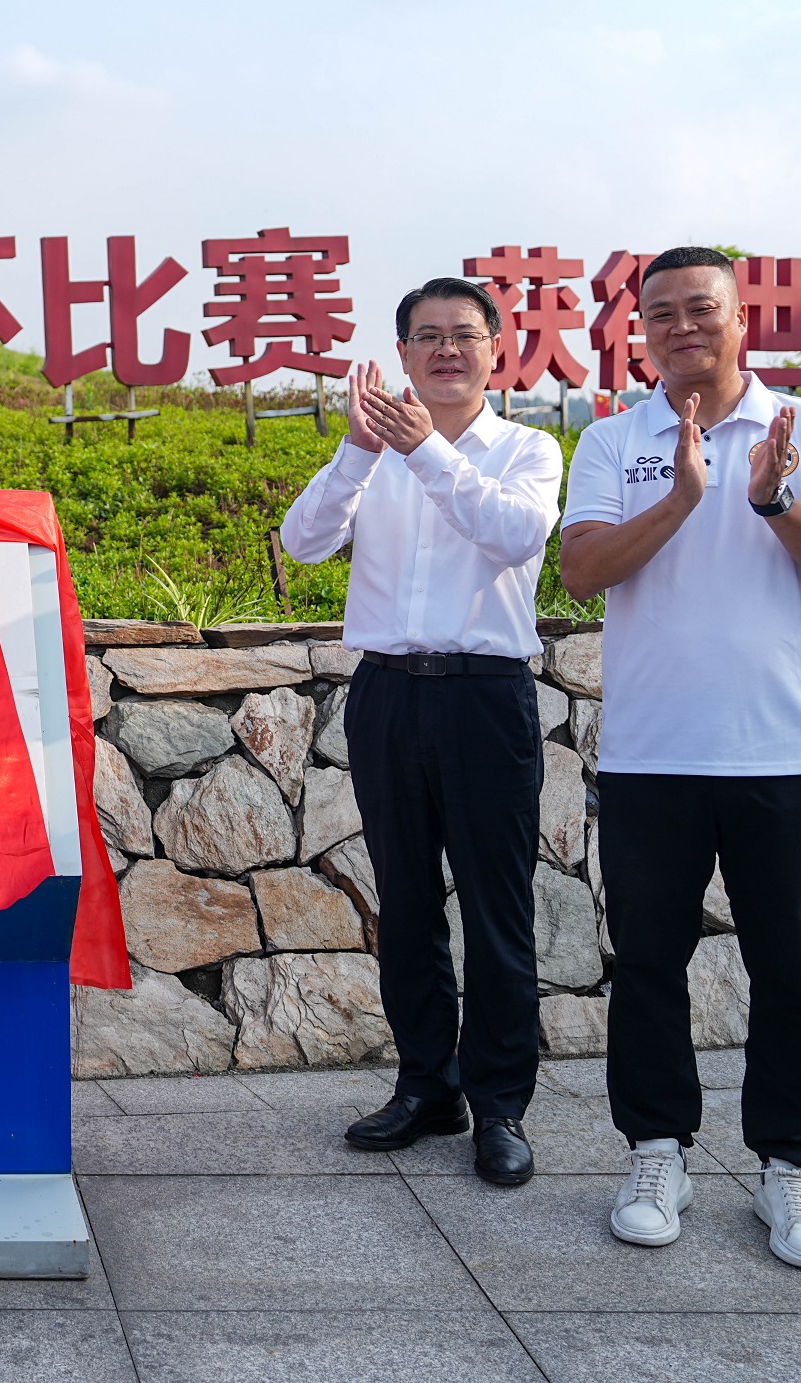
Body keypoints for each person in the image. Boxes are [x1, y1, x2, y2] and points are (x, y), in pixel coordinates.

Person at [560, 246, 801, 1269]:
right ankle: (657, 1149)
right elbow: (579, 572)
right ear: (639, 329)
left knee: (789, 972)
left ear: (741, 317)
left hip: (775, 752)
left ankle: (791, 1168)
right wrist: (680, 497)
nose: (681, 326)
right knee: (647, 965)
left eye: (701, 307)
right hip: (655, 753)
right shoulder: (613, 438)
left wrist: (776, 499)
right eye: (660, 313)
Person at [280, 275, 563, 1187]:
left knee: (494, 907)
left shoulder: (527, 449)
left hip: (485, 696)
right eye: (426, 336)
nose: (446, 348)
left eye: (464, 334)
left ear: (496, 350)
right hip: (388, 695)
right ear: (400, 354)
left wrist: (427, 453)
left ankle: (501, 1107)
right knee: (404, 902)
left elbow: (514, 535)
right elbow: (303, 542)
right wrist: (359, 453)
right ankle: (424, 1085)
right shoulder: (374, 457)